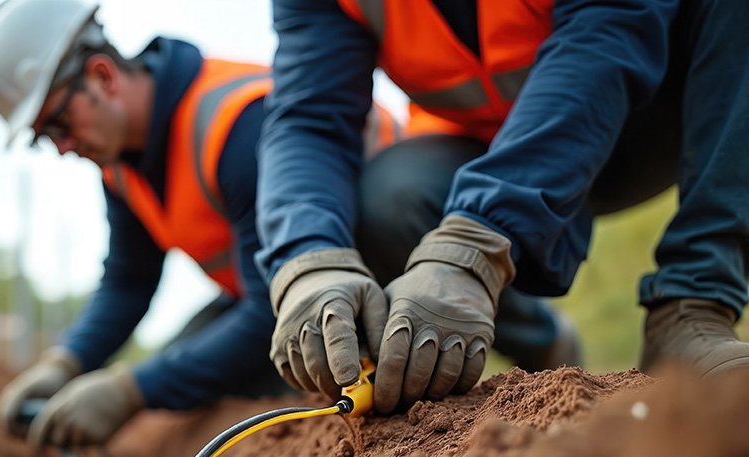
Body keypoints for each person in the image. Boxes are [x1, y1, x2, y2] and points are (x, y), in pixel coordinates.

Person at [258, 0, 749, 415]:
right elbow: (309, 118)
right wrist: (307, 260)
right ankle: (541, 343)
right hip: (486, 150)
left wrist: (474, 241)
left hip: (641, 113)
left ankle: (693, 308)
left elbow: (608, 27)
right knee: (388, 199)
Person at [0, 0, 407, 448]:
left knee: (185, 373)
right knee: (183, 359)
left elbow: (271, 311)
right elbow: (128, 281)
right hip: (280, 294)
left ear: (103, 76)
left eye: (59, 123)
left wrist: (131, 391)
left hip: (392, 243)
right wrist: (65, 363)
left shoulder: (235, 124)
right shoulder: (119, 164)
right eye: (46, 138)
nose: (62, 148)